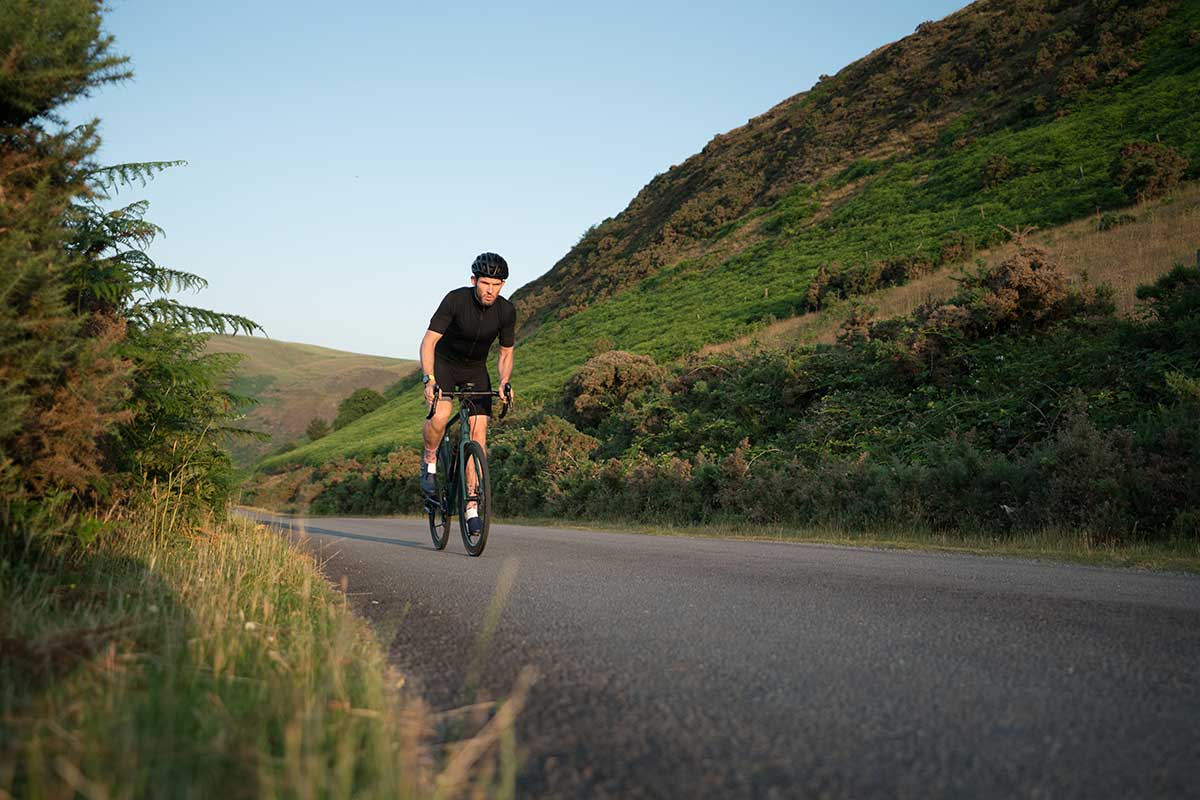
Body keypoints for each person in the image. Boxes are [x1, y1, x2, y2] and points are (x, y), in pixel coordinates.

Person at [419, 252, 515, 534]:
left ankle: (471, 505)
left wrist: (504, 381)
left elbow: (506, 352)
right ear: (474, 280)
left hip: (475, 370)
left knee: (478, 434)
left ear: (503, 285)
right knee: (442, 412)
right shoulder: (455, 300)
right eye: (485, 283)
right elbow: (428, 342)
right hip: (444, 365)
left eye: (496, 284)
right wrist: (429, 379)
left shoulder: (506, 311)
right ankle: (430, 460)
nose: (490, 290)